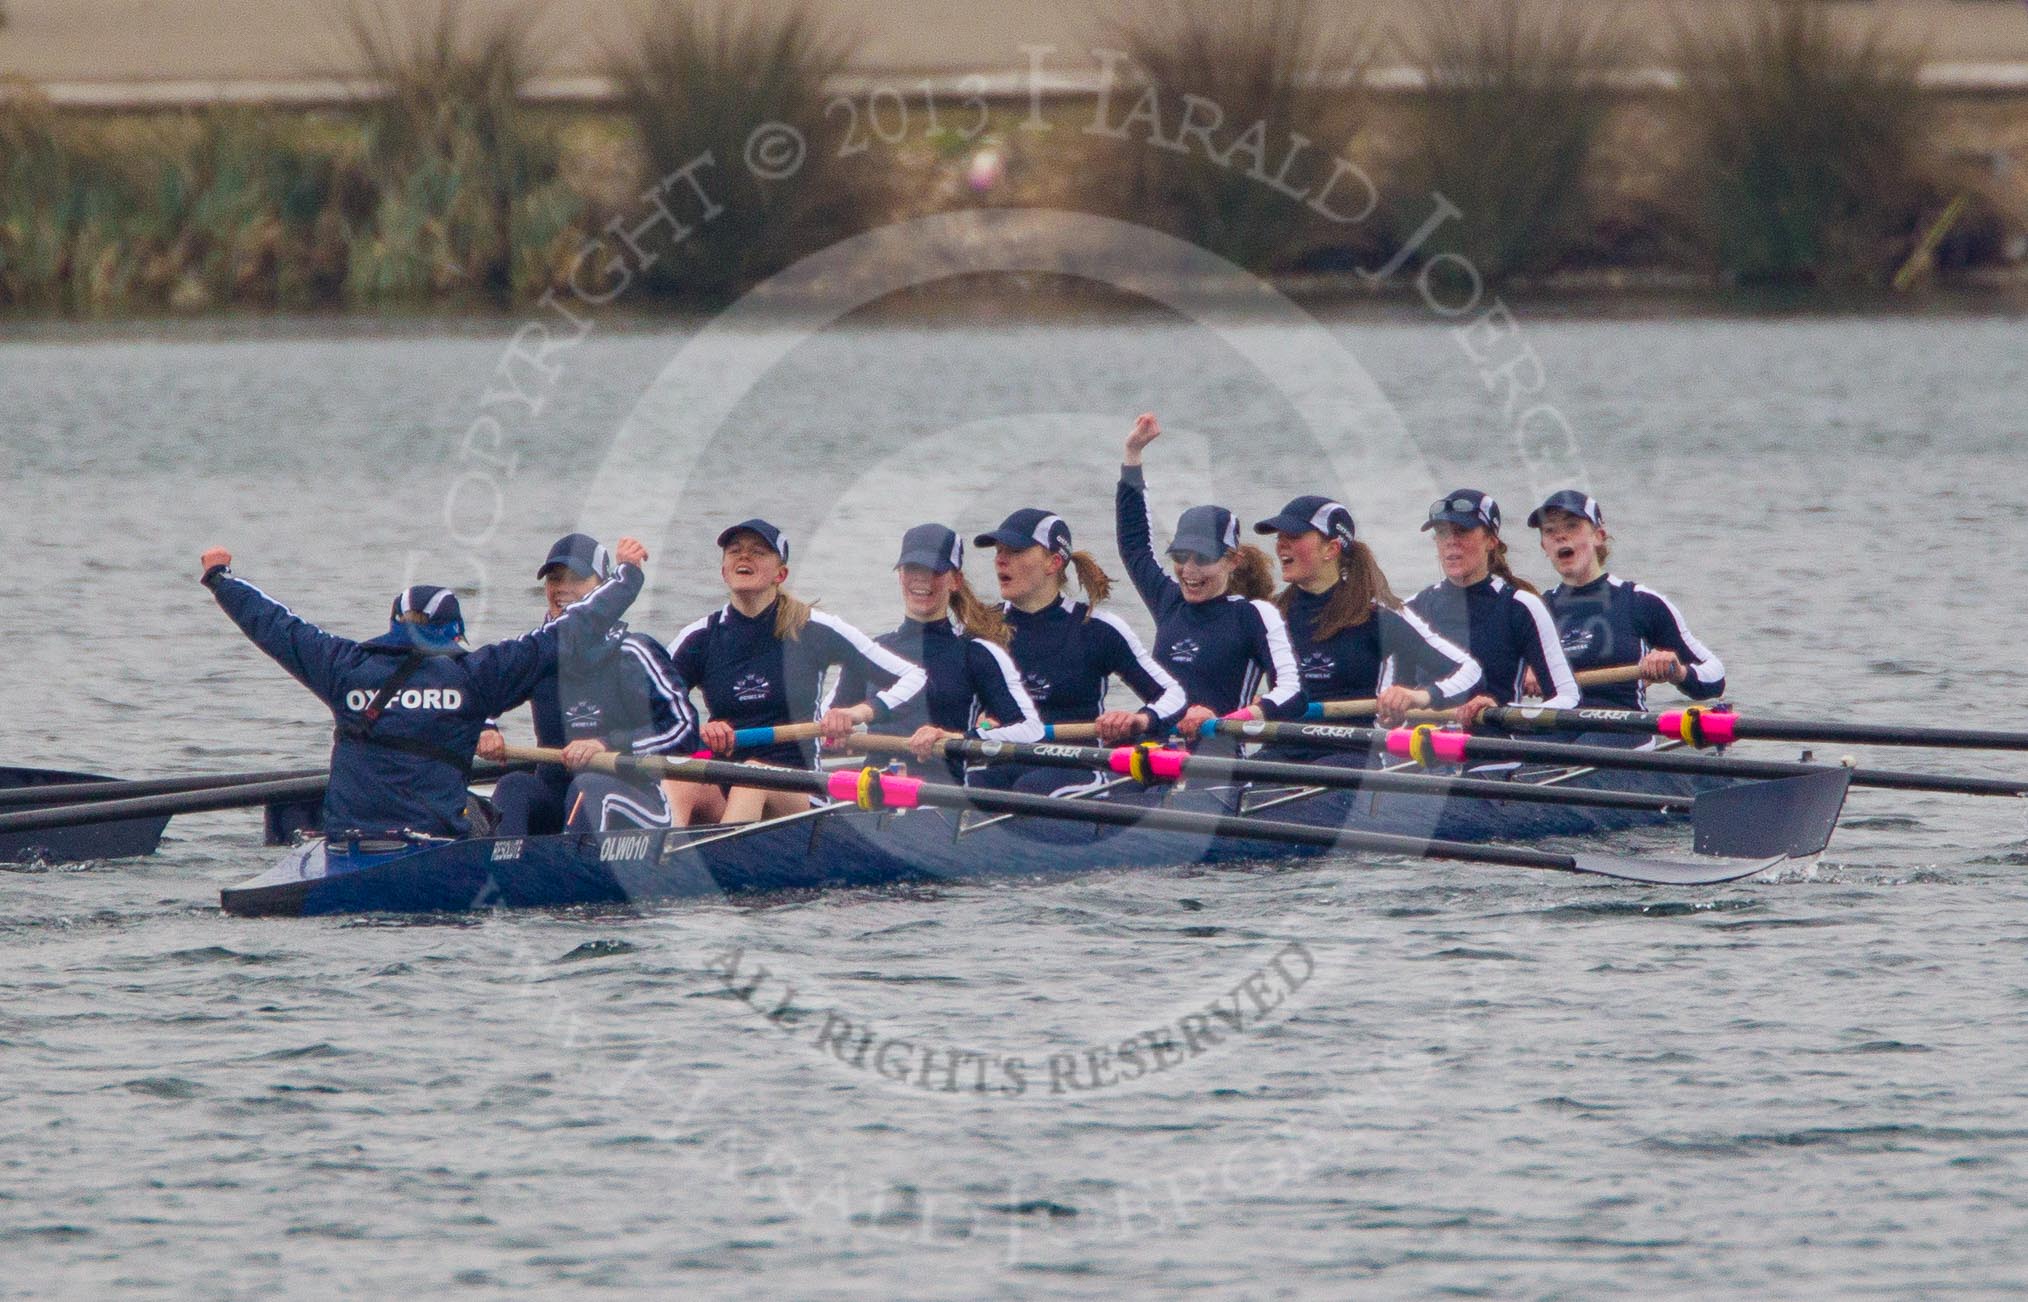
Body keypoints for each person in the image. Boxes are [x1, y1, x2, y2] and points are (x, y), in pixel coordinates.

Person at [199, 538, 647, 846]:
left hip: (350, 842)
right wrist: (626, 579)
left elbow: (277, 626)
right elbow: (568, 631)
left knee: (297, 803)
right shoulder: (474, 677)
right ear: (454, 634)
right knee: (490, 812)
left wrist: (221, 578)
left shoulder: (343, 667)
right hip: (432, 844)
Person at [666, 518, 926, 825]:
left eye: (759, 551)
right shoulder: (698, 638)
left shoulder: (814, 629)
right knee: (678, 778)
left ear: (781, 573)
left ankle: (717, 864)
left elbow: (913, 678)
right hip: (726, 779)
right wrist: (697, 733)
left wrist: (858, 714)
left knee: (752, 776)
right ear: (724, 571)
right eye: (735, 551)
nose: (744, 557)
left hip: (800, 790)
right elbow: (651, 713)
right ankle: (661, 865)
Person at [475, 533, 696, 836]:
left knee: (588, 786)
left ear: (603, 586)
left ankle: (571, 870)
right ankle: (501, 873)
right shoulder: (539, 655)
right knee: (514, 786)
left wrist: (607, 744)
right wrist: (486, 728)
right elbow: (475, 693)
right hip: (558, 794)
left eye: (576, 577)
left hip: (633, 797)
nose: (562, 588)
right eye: (554, 578)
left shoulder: (633, 652)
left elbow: (684, 728)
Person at [1116, 413, 1305, 737]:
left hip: (1217, 759)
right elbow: (1135, 547)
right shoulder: (1169, 601)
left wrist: (1232, 718)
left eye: (1203, 558)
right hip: (1154, 752)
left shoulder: (1253, 616)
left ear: (1233, 560)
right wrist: (1132, 456)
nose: (1188, 570)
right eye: (1180, 555)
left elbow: (1292, 692)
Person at [833, 523, 1045, 781]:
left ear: (955, 581)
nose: (922, 579)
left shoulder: (976, 654)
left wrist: (957, 739)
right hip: (874, 791)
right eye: (912, 569)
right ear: (900, 575)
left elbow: (1031, 730)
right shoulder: (872, 651)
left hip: (942, 797)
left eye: (934, 570)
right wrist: (834, 728)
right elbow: (828, 720)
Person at [1255, 494, 1483, 731]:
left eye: (1293, 536)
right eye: (1279, 537)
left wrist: (1420, 697)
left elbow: (1470, 672)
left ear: (1331, 549)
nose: (1281, 544)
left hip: (1351, 750)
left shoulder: (1378, 614)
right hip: (1282, 744)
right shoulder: (1268, 615)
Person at [1527, 489, 1726, 710]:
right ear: (1544, 546)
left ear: (1598, 536)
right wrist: (1523, 672)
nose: (1560, 536)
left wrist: (1677, 671)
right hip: (1555, 729)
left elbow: (1716, 676)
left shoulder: (1640, 602)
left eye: (1572, 526)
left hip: (1624, 729)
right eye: (1549, 530)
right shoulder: (1533, 611)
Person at [1406, 489, 1580, 727]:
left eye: (1462, 531)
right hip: (1422, 752)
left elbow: (1569, 697)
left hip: (1492, 754)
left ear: (1491, 541)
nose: (1451, 541)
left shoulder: (1522, 607)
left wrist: (1502, 712)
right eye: (1442, 532)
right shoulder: (1412, 609)